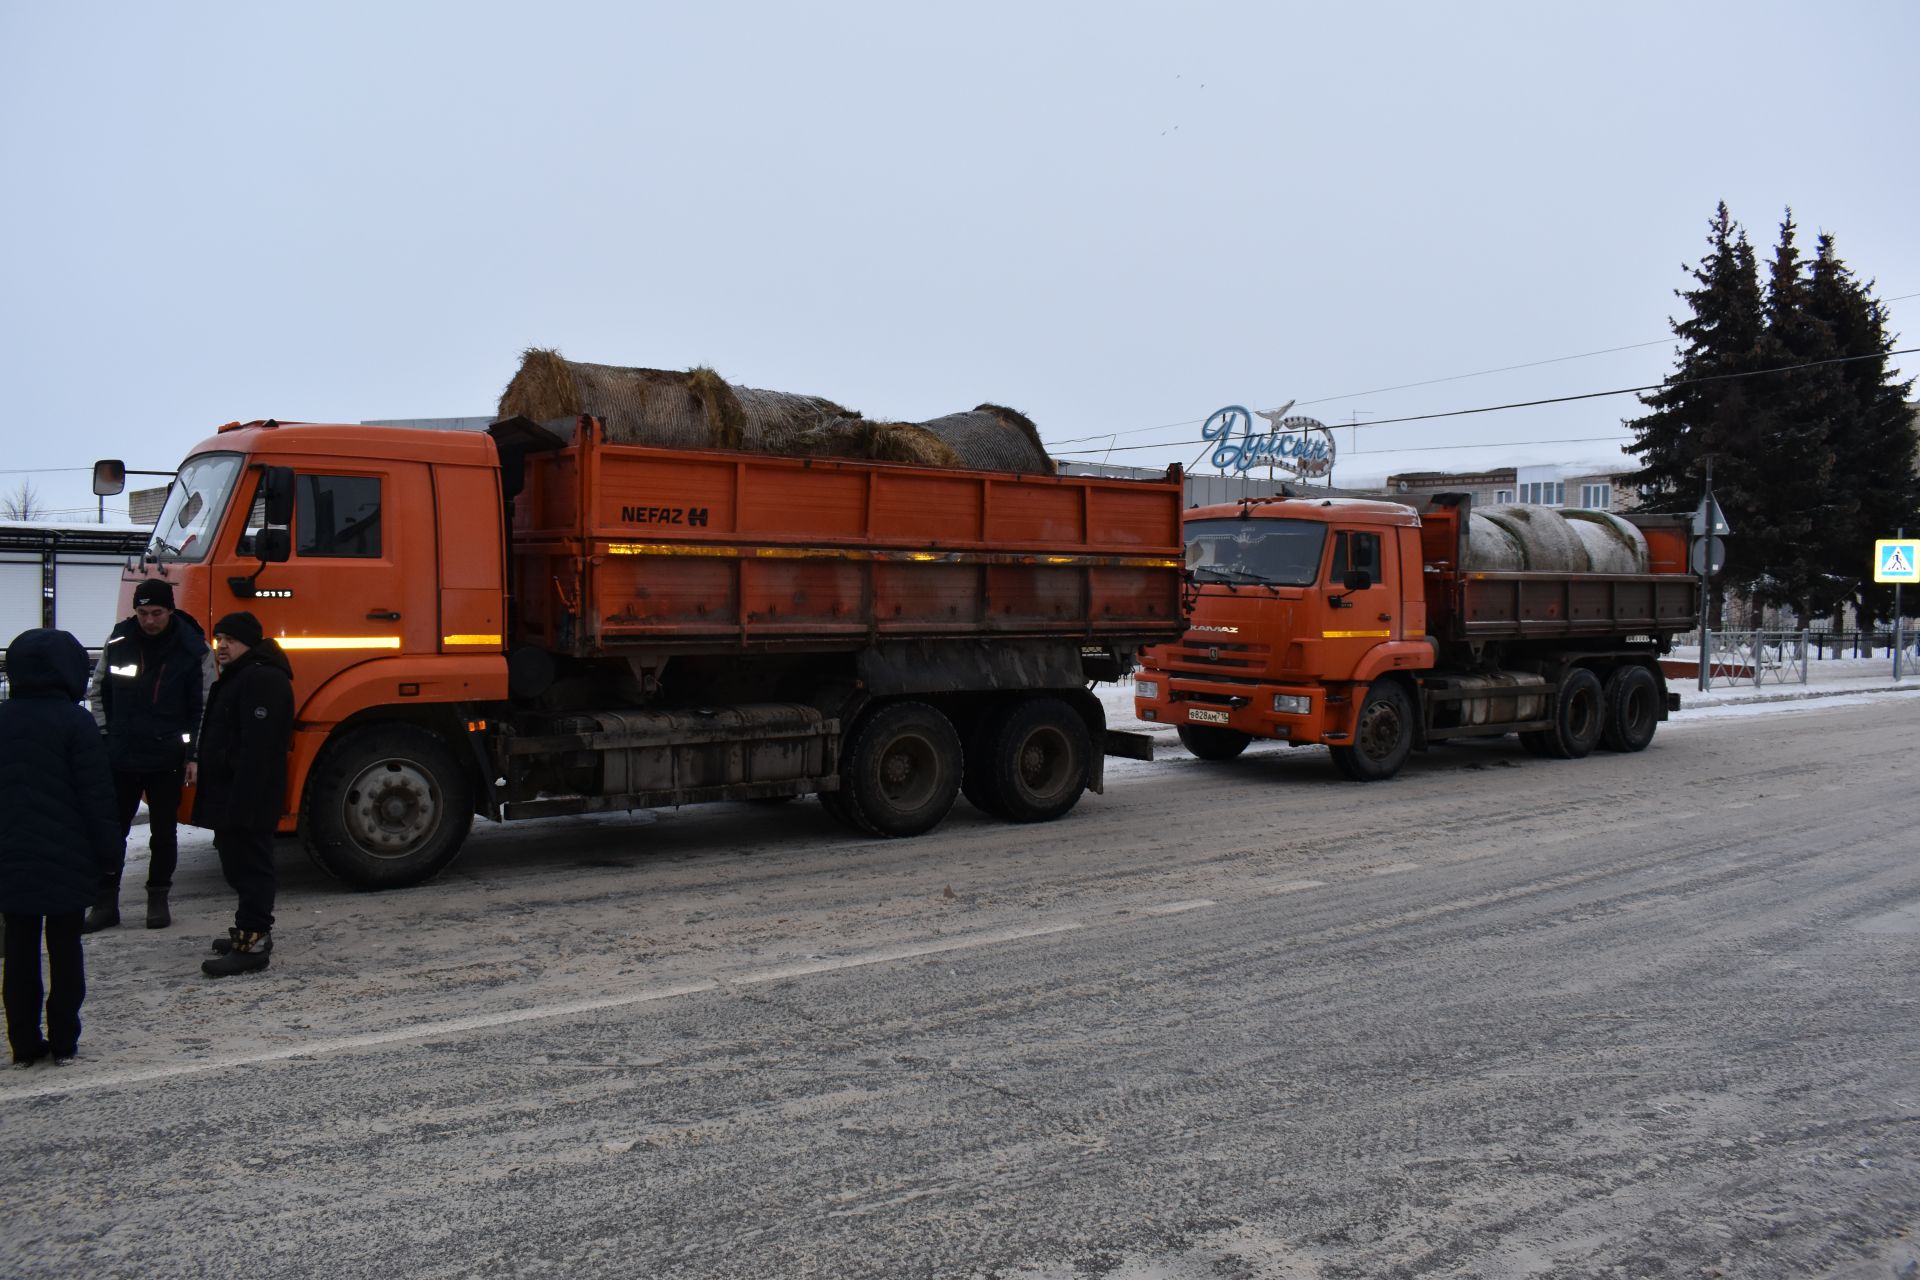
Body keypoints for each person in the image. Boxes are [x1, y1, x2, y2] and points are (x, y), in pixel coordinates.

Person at [1, 629, 123, 1066]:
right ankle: (64, 1037)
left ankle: (23, 1042)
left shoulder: (3, 717)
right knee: (65, 947)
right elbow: (97, 796)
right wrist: (110, 856)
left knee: (18, 949)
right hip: (68, 856)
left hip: (11, 856)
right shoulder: (76, 722)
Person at [85, 578, 212, 932]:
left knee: (164, 832)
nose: (149, 620)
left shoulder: (192, 649)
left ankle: (158, 898)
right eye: (142, 613)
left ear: (170, 611)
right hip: (122, 755)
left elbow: (203, 705)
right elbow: (98, 691)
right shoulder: (120, 641)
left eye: (156, 613)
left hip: (167, 756)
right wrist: (106, 736)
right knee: (113, 831)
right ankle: (105, 902)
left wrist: (194, 755)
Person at [190, 612, 293, 978]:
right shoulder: (241, 675)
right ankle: (249, 931)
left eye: (230, 640)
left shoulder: (262, 679)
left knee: (251, 866)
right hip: (232, 791)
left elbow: (258, 750)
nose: (221, 646)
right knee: (238, 862)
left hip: (247, 794)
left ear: (248, 643)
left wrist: (242, 803)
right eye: (219, 639)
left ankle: (254, 943)